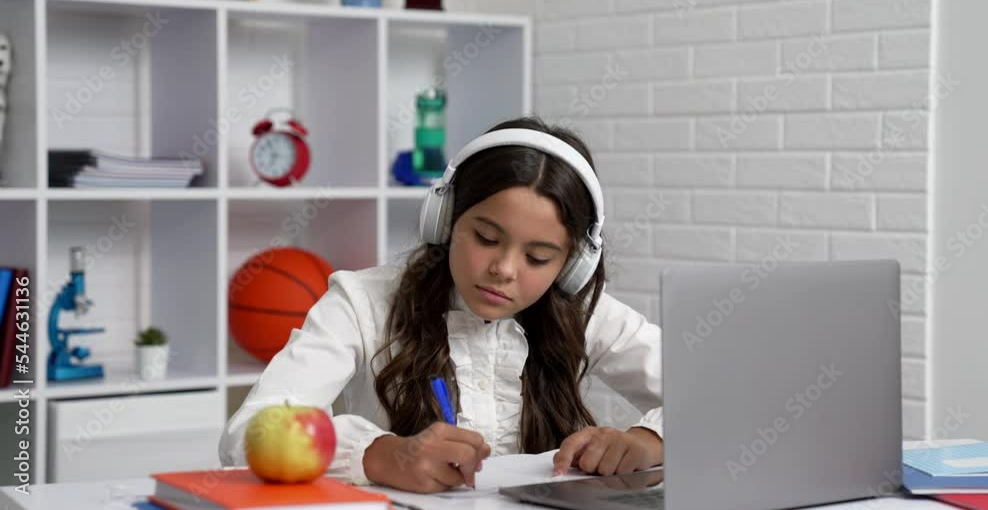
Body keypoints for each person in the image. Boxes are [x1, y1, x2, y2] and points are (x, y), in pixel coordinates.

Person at [219, 116, 663, 494]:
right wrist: (379, 455)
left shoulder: (582, 311)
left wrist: (650, 439)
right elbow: (248, 433)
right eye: (487, 238)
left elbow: (719, 395)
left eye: (538, 258)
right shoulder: (362, 302)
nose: (504, 269)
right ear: (445, 219)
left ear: (572, 266)